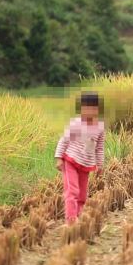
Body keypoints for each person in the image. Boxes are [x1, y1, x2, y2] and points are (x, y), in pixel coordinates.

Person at [55, 92, 105, 224]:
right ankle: (71, 219)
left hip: (86, 164)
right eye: (86, 108)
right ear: (81, 109)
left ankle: (78, 214)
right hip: (70, 160)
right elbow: (64, 140)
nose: (89, 111)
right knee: (72, 190)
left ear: (97, 109)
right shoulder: (76, 124)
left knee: (82, 193)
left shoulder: (99, 128)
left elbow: (99, 148)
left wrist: (100, 164)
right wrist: (59, 157)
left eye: (92, 108)